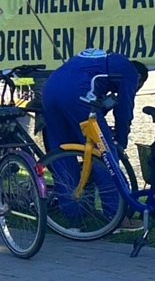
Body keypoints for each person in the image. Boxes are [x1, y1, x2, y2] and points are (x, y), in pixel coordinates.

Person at [41, 49, 148, 230]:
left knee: (62, 155)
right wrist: (120, 141)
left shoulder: (100, 60)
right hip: (77, 93)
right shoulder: (130, 70)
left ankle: (73, 219)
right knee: (104, 155)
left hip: (50, 89)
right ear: (139, 78)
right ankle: (116, 217)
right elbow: (124, 110)